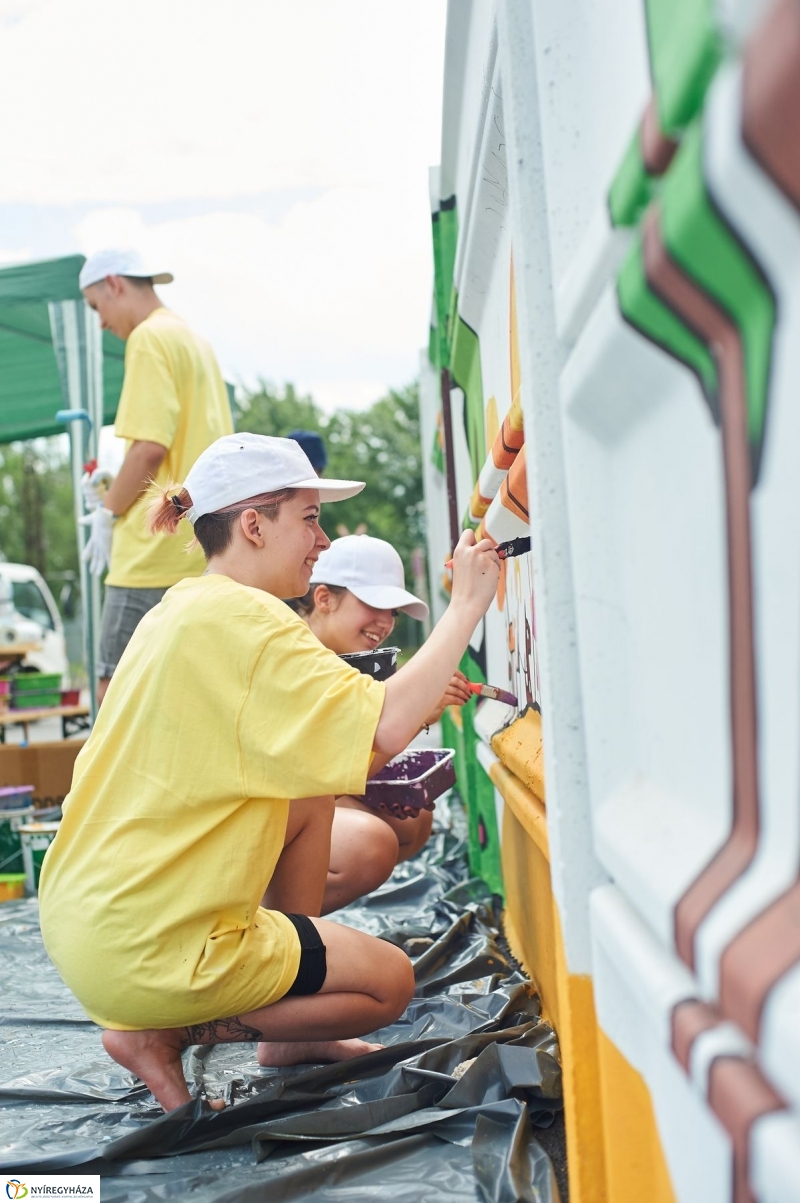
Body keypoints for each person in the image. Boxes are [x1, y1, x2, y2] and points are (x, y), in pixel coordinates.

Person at [38, 433, 500, 1114]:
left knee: (309, 795)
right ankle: (159, 1032)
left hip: (83, 920)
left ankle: (280, 1037)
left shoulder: (179, 608)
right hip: (151, 946)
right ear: (253, 525)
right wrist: (466, 606)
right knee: (388, 984)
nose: (323, 540)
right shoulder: (250, 619)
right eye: (310, 518)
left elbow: (334, 760)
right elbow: (382, 728)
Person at [78, 248, 234, 704]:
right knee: (189, 698)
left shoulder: (148, 337)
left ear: (114, 284)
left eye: (96, 307)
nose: (101, 323)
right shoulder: (194, 340)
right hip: (201, 545)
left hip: (152, 553)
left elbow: (149, 449)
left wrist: (108, 512)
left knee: (114, 693)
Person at [296, 535, 473, 912]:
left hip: (292, 804)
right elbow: (326, 782)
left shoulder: (343, 661)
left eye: (393, 612)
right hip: (251, 824)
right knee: (370, 846)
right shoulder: (297, 662)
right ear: (324, 598)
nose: (386, 623)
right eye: (375, 605)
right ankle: (276, 926)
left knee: (412, 821)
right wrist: (415, 716)